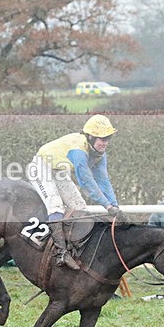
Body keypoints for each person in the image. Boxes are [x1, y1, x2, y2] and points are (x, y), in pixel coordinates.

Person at [28, 114, 121, 269]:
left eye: (108, 138)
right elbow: (86, 182)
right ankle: (60, 253)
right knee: (56, 205)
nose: (105, 143)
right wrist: (107, 206)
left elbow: (103, 181)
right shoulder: (79, 150)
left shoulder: (99, 154)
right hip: (40, 167)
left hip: (58, 170)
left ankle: (76, 247)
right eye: (102, 138)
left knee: (80, 207)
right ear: (90, 137)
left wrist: (115, 205)